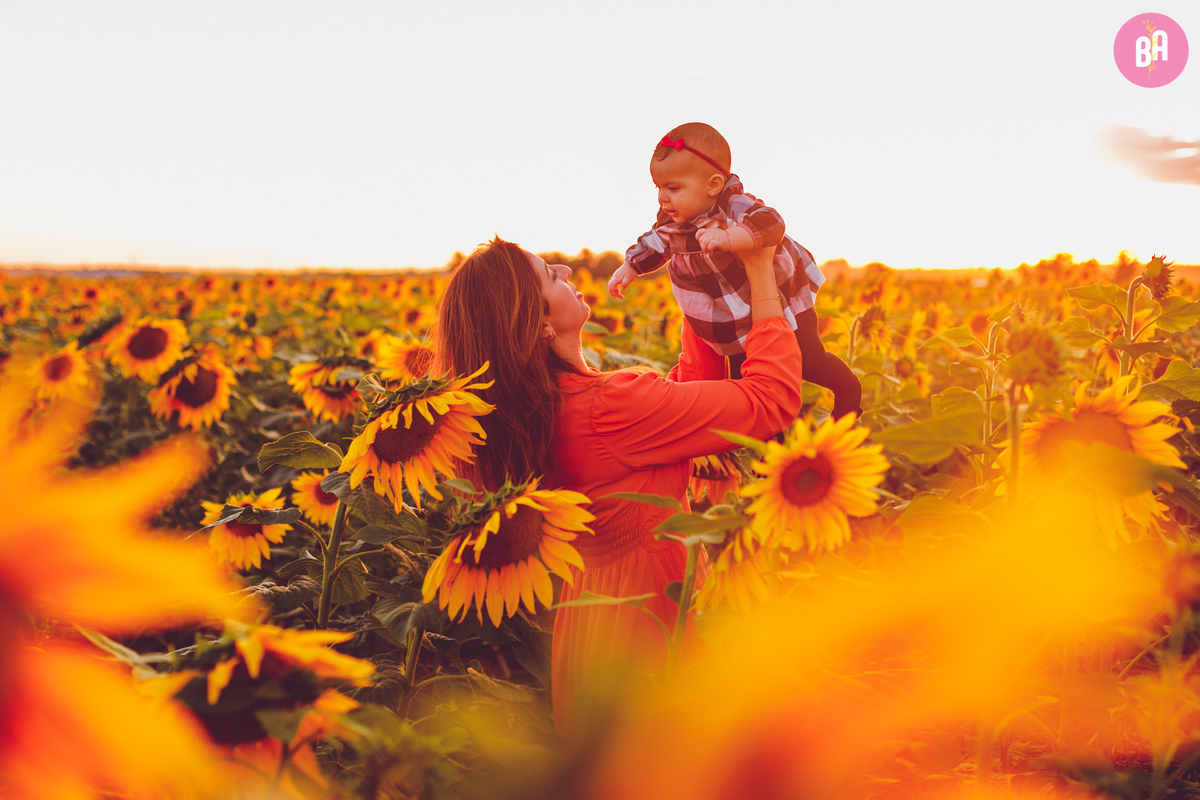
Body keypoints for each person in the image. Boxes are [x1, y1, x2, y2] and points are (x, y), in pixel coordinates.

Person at [433, 236, 804, 735]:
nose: (566, 269)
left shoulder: (537, 414)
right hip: (654, 612)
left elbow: (673, 414)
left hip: (594, 622)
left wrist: (698, 301)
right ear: (540, 325)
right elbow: (771, 399)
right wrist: (761, 273)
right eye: (548, 273)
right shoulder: (611, 405)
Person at [608, 122, 862, 419]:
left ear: (713, 185)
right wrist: (630, 266)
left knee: (808, 360)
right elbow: (654, 243)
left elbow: (772, 224)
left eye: (674, 188)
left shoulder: (733, 205)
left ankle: (848, 392)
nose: (663, 198)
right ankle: (765, 447)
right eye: (659, 188)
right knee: (747, 381)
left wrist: (731, 238)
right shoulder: (671, 222)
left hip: (781, 301)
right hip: (731, 317)